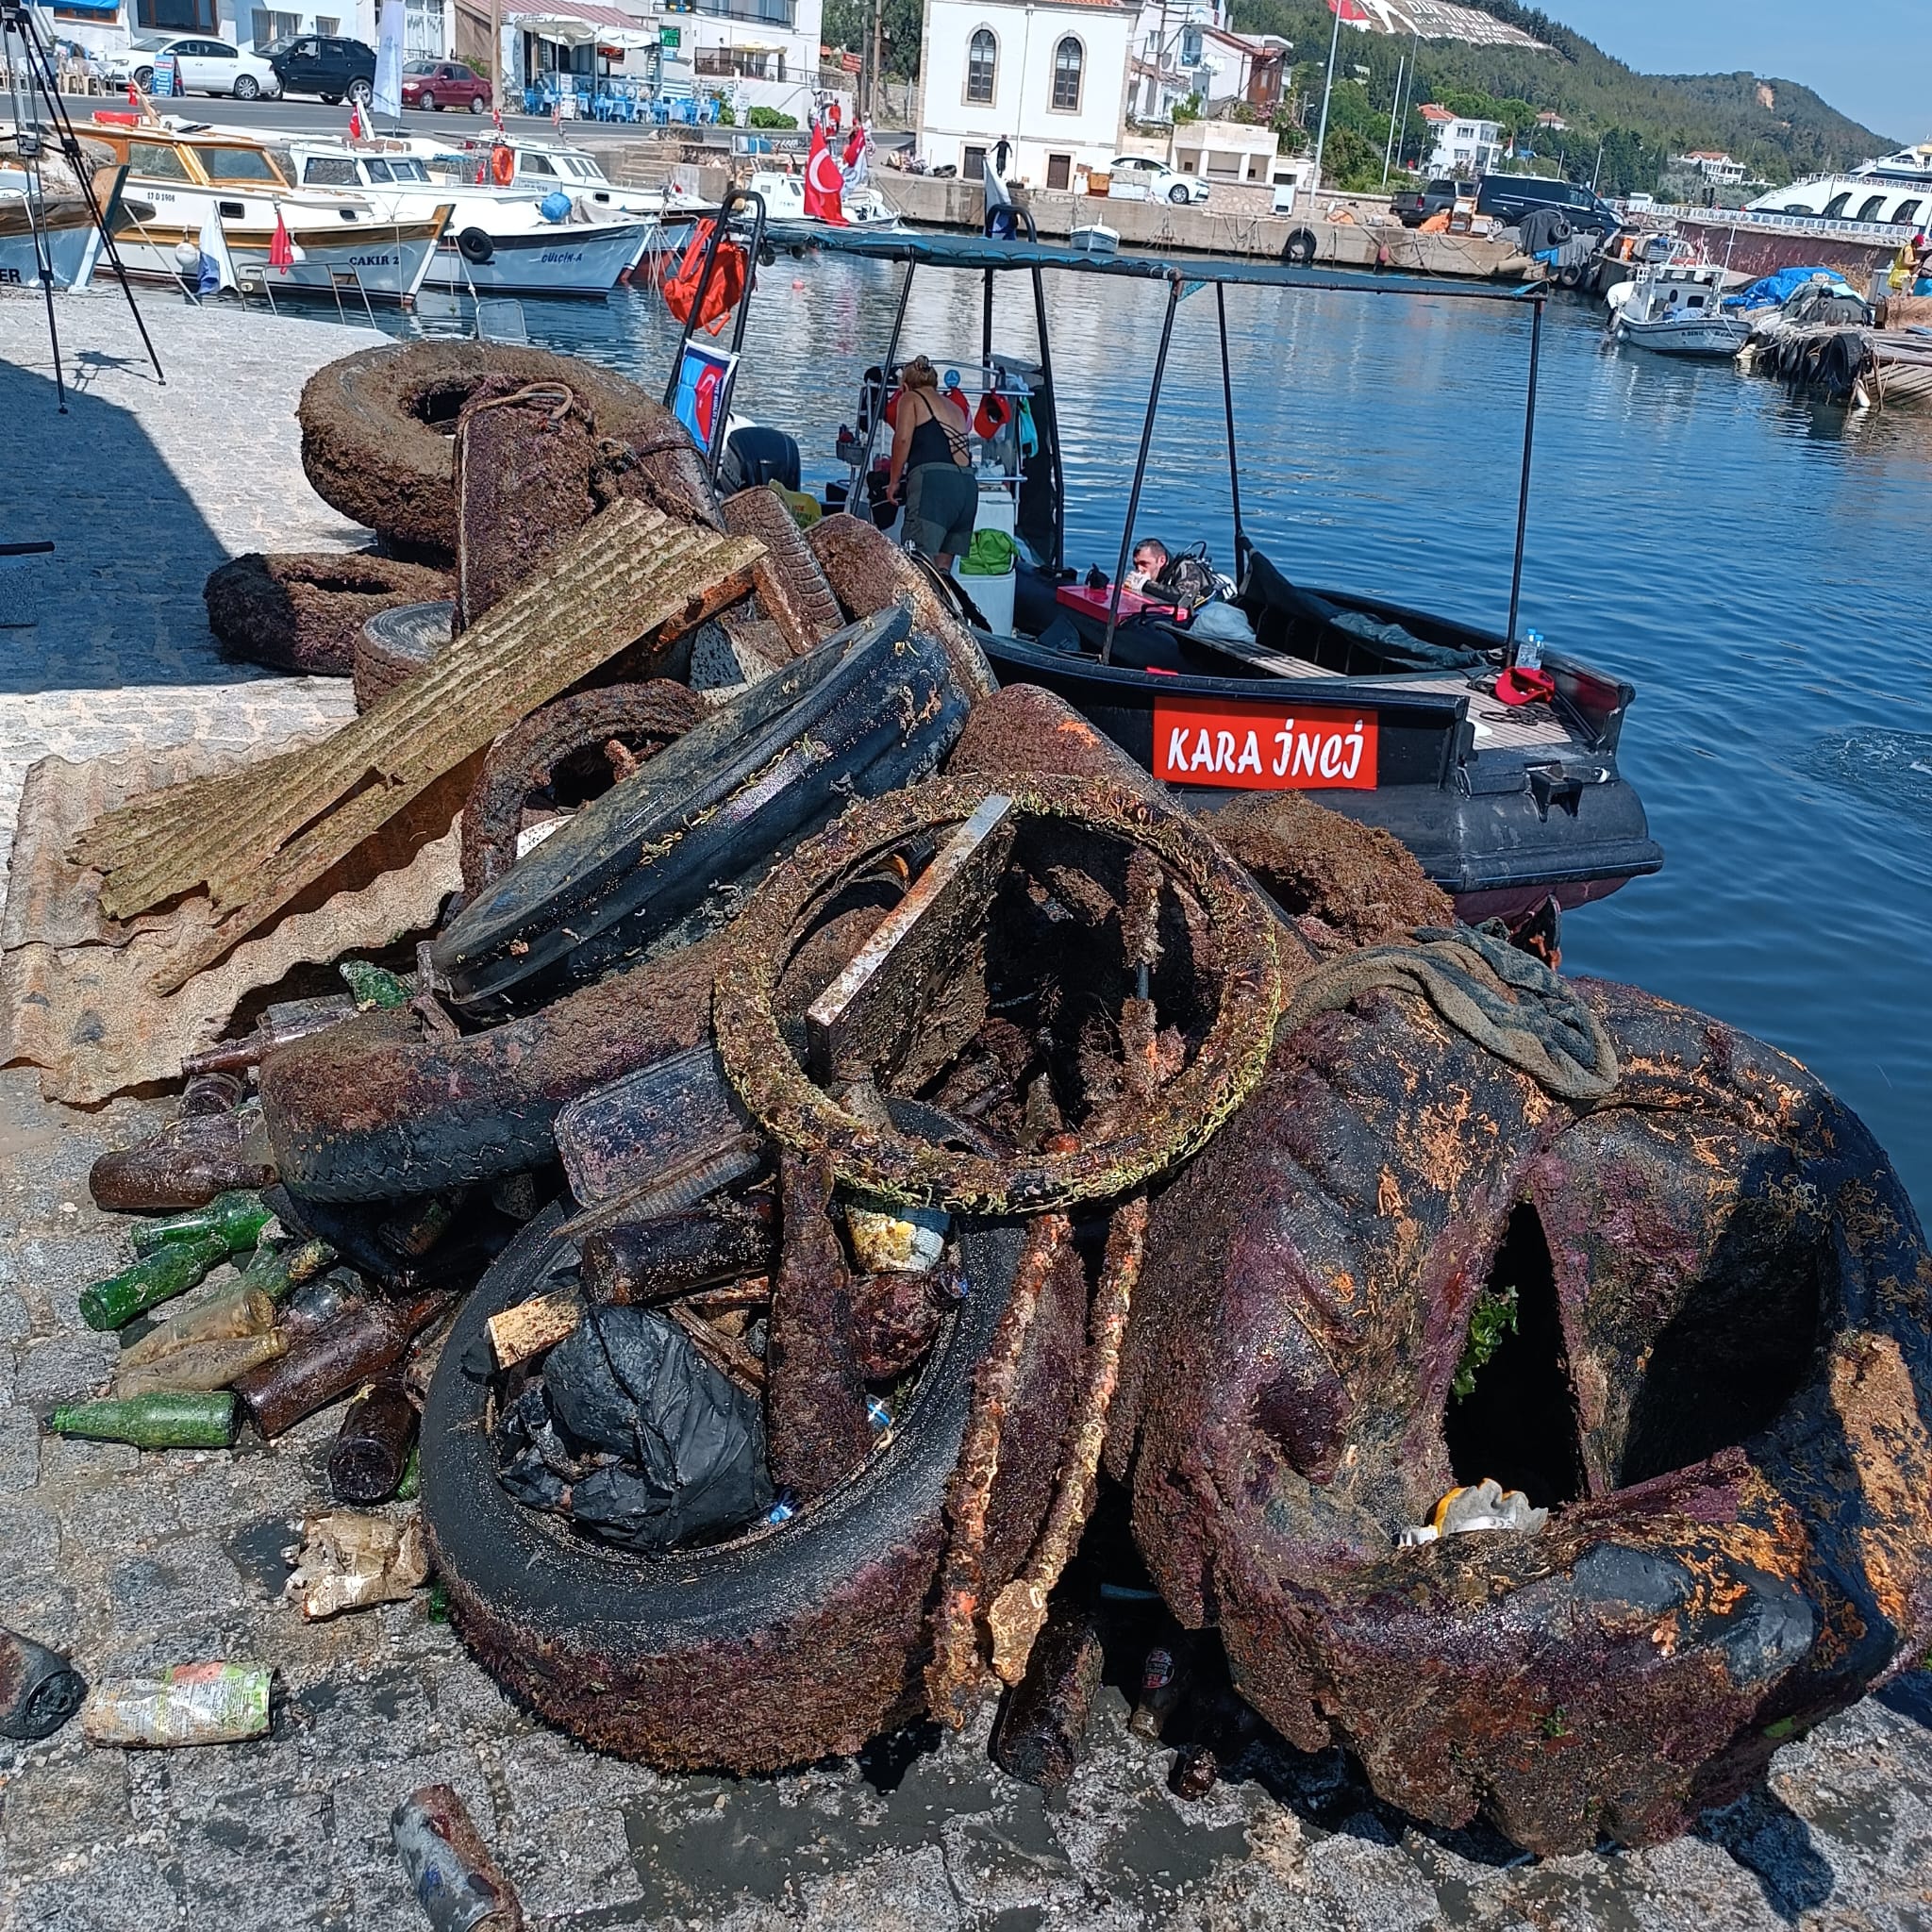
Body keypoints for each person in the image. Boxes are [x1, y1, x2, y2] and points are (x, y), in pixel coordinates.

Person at [887, 355, 978, 570]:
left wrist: (893, 481)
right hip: (966, 487)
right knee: (943, 572)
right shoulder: (954, 407)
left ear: (905, 386)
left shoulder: (910, 399)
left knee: (918, 566)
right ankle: (946, 603)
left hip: (934, 486)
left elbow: (902, 439)